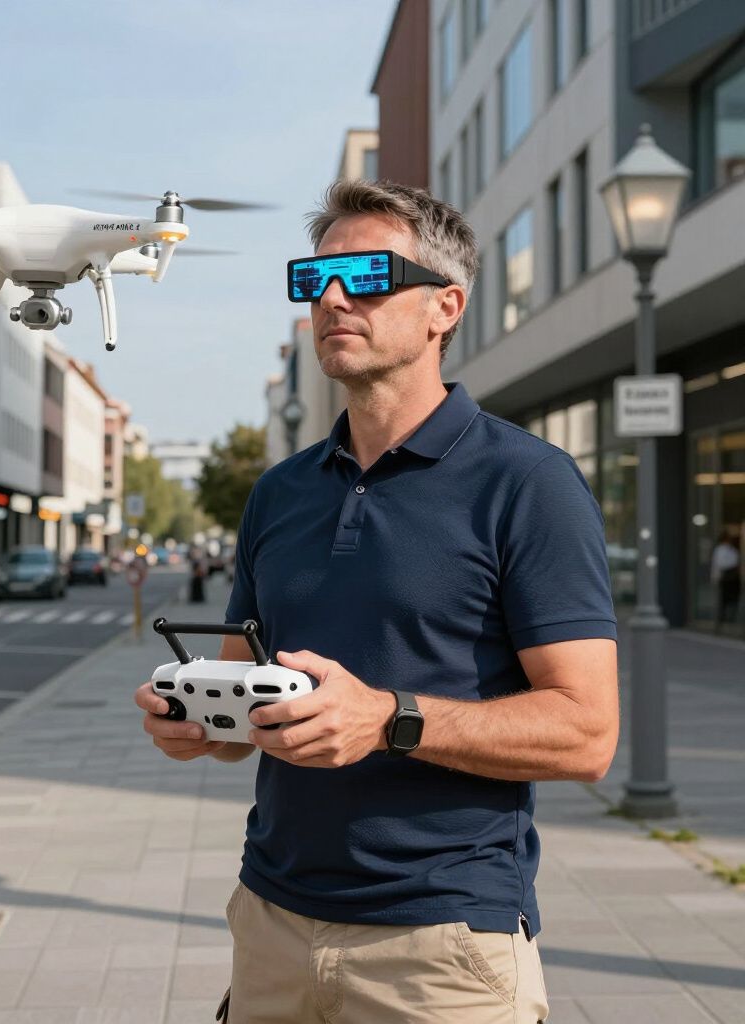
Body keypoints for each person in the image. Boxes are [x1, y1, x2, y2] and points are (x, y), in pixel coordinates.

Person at [135, 180, 619, 1023]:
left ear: (445, 307)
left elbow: (588, 733)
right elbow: (244, 716)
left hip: (442, 947)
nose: (329, 298)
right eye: (312, 278)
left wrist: (390, 718)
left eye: (364, 275)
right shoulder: (279, 494)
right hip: (271, 925)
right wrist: (196, 722)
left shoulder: (528, 483)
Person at [711, 527, 741, 629]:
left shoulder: (732, 549)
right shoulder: (721, 549)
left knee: (733, 600)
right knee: (724, 601)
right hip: (726, 578)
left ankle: (730, 621)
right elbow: (720, 564)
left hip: (733, 578)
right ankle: (721, 624)